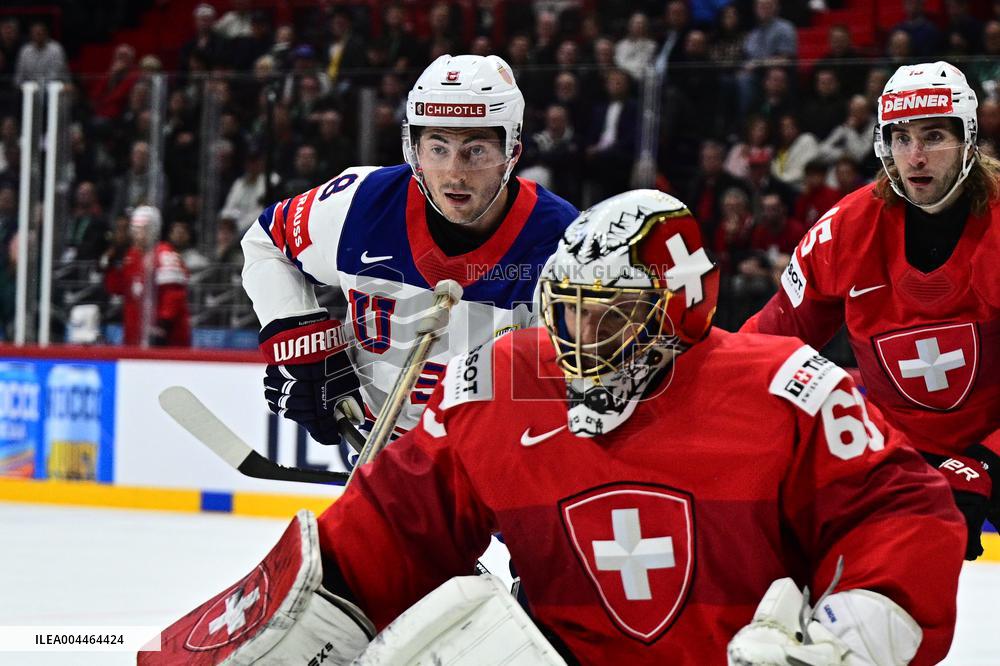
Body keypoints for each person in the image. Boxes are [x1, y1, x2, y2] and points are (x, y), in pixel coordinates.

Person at [147, 190, 963, 665]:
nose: (577, 347)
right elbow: (393, 528)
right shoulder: (505, 382)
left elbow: (903, 512)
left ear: (677, 310)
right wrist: (307, 616)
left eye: (604, 319)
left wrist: (848, 641)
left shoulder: (786, 387)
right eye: (563, 317)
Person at [241, 54, 578, 449]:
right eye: (438, 148)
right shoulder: (359, 202)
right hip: (378, 461)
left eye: (476, 151)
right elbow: (267, 242)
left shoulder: (566, 245)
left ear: (513, 152)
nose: (454, 173)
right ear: (414, 148)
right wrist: (304, 348)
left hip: (494, 472)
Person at [742, 61, 1000, 561]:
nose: (916, 156)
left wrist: (986, 464)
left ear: (969, 138)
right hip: (895, 453)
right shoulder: (844, 230)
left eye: (933, 136)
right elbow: (769, 345)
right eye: (901, 138)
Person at [103, 206, 191, 347]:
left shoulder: (165, 254)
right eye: (135, 229)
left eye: (143, 229)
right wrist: (110, 266)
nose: (138, 234)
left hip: (167, 340)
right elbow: (117, 288)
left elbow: (173, 296)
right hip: (134, 337)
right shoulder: (132, 256)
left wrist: (162, 326)